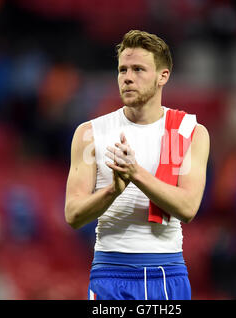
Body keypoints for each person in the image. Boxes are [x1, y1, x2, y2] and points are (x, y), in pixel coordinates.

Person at [65, 30, 210, 300]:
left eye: (138, 69)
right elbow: (73, 215)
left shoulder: (190, 132)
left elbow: (188, 208)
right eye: (123, 69)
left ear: (162, 76)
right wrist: (113, 191)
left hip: (166, 273)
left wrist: (136, 174)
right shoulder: (89, 133)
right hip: (110, 272)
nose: (127, 77)